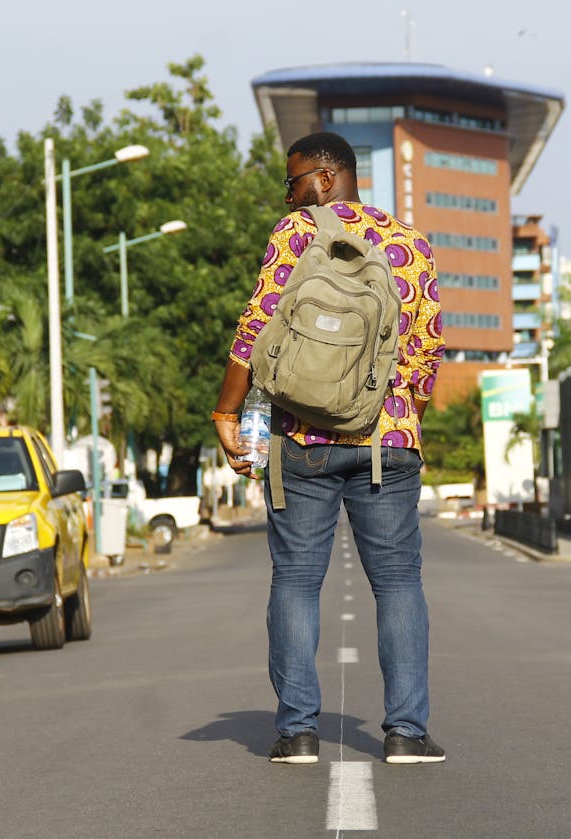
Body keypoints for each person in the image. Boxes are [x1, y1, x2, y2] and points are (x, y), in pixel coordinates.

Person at [212, 131, 446, 765]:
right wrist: (399, 421)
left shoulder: (295, 237)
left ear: (322, 178)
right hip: (386, 442)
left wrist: (226, 410)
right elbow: (425, 356)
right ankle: (404, 732)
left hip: (301, 438)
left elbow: (254, 328)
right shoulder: (411, 245)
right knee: (398, 584)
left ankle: (297, 733)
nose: (287, 199)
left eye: (291, 185)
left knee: (294, 582)